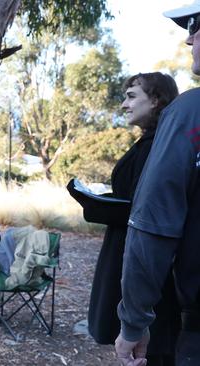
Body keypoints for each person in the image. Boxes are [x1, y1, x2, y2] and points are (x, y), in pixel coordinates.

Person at [70, 73, 180, 365]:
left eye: (132, 96)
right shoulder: (151, 143)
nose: (124, 105)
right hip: (129, 251)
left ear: (156, 100)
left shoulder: (160, 148)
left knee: (152, 350)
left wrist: (96, 205)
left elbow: (148, 211)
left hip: (146, 261)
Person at [115, 3, 200, 366]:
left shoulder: (190, 113)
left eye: (197, 27)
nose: (189, 39)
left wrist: (133, 323)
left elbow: (153, 224)